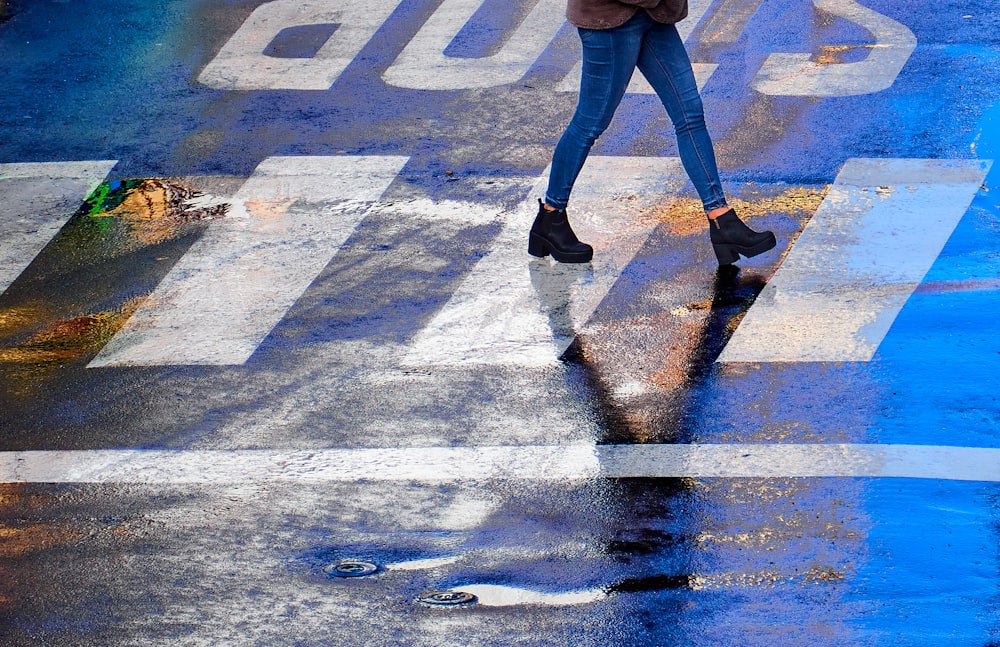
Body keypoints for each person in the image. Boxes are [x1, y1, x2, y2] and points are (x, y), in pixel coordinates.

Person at [529, 0, 776, 265]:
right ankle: (550, 217)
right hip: (609, 20)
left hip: (651, 14)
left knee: (689, 113)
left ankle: (721, 220)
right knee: (589, 124)